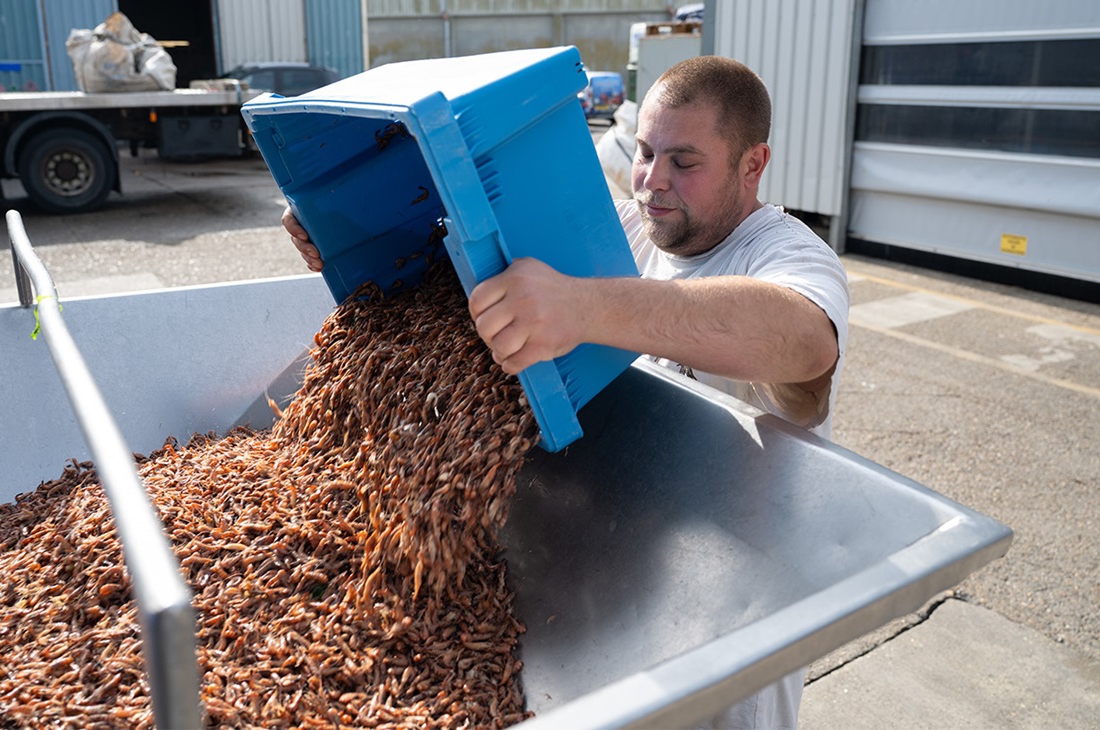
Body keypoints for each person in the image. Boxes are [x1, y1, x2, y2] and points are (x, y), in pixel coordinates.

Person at [285, 55, 849, 728]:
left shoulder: (788, 255)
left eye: (685, 162)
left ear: (752, 166)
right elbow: (466, 225)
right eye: (644, 152)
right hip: (619, 581)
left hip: (735, 614)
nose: (652, 181)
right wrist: (337, 220)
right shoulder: (632, 226)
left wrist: (583, 308)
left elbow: (804, 338)